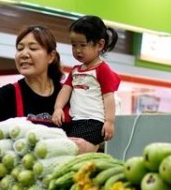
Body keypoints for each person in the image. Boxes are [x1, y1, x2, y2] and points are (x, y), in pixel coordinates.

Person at [52, 15, 121, 147]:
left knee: (74, 149)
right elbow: (65, 90)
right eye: (74, 45)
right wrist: (58, 108)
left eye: (83, 45)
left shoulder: (102, 70)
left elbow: (108, 97)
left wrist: (110, 122)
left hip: (94, 122)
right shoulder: (75, 71)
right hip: (76, 121)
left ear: (100, 45)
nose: (77, 50)